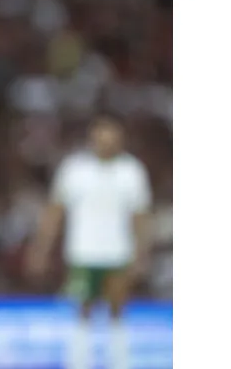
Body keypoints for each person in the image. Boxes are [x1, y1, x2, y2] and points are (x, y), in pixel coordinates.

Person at [25, 114, 153, 369]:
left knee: (117, 312)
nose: (106, 142)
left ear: (120, 139)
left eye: (111, 137)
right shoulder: (74, 169)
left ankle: (119, 363)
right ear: (92, 137)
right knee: (82, 312)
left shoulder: (132, 171)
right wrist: (40, 248)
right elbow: (55, 212)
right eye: (101, 136)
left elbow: (140, 217)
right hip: (83, 252)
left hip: (118, 253)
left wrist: (142, 254)